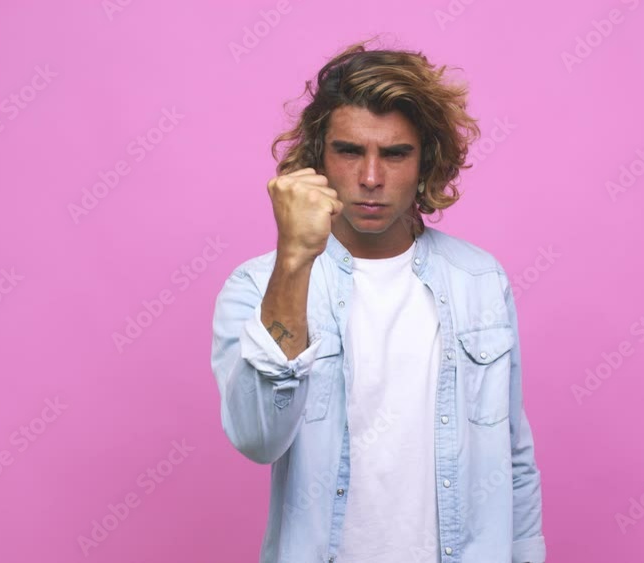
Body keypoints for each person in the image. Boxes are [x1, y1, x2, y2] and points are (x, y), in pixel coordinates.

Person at [210, 37, 546, 563]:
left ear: (425, 162)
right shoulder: (258, 285)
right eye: (349, 151)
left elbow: (512, 455)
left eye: (394, 154)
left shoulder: (480, 279)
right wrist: (294, 260)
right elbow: (257, 438)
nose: (370, 178)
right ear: (319, 157)